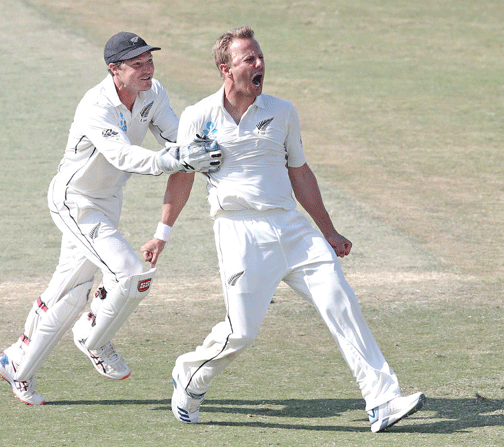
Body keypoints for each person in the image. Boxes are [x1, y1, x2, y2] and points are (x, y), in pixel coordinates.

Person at [140, 26, 425, 433]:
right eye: (248, 59)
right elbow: (182, 178)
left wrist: (328, 231)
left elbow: (300, 172)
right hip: (240, 233)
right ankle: (190, 374)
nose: (259, 65)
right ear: (226, 69)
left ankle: (381, 400)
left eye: (260, 58)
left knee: (340, 302)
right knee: (241, 332)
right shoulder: (198, 117)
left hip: (292, 229)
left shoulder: (283, 111)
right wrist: (161, 234)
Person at [0, 31, 222, 406]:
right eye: (137, 64)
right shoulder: (95, 106)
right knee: (130, 274)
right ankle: (92, 336)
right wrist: (174, 160)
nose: (147, 70)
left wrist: (204, 144)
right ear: (114, 70)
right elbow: (123, 156)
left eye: (149, 61)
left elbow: (177, 138)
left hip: (108, 201)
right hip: (75, 202)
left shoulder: (154, 92)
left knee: (71, 290)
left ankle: (15, 363)